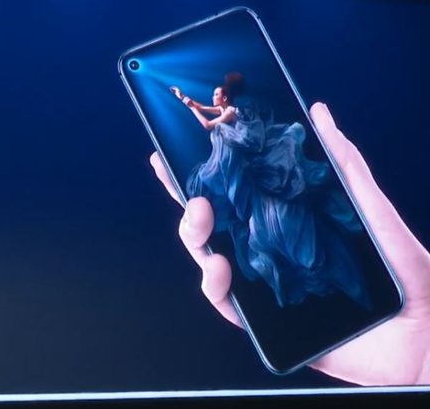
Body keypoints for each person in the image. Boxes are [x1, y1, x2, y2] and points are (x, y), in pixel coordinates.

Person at [149, 102, 430, 385]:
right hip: (262, 190)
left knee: (310, 251)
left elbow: (226, 127)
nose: (216, 96)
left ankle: (351, 295)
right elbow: (210, 122)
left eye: (218, 94)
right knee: (275, 251)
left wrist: (422, 353)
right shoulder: (230, 138)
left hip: (276, 181)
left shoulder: (239, 117)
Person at [168, 74, 369, 308]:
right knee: (264, 232)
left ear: (224, 97)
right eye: (213, 94)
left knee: (282, 225)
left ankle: (324, 272)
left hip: (261, 167)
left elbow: (206, 124)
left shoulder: (230, 112)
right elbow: (200, 107)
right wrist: (183, 98)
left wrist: (193, 108)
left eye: (216, 94)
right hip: (250, 174)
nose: (212, 97)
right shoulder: (224, 111)